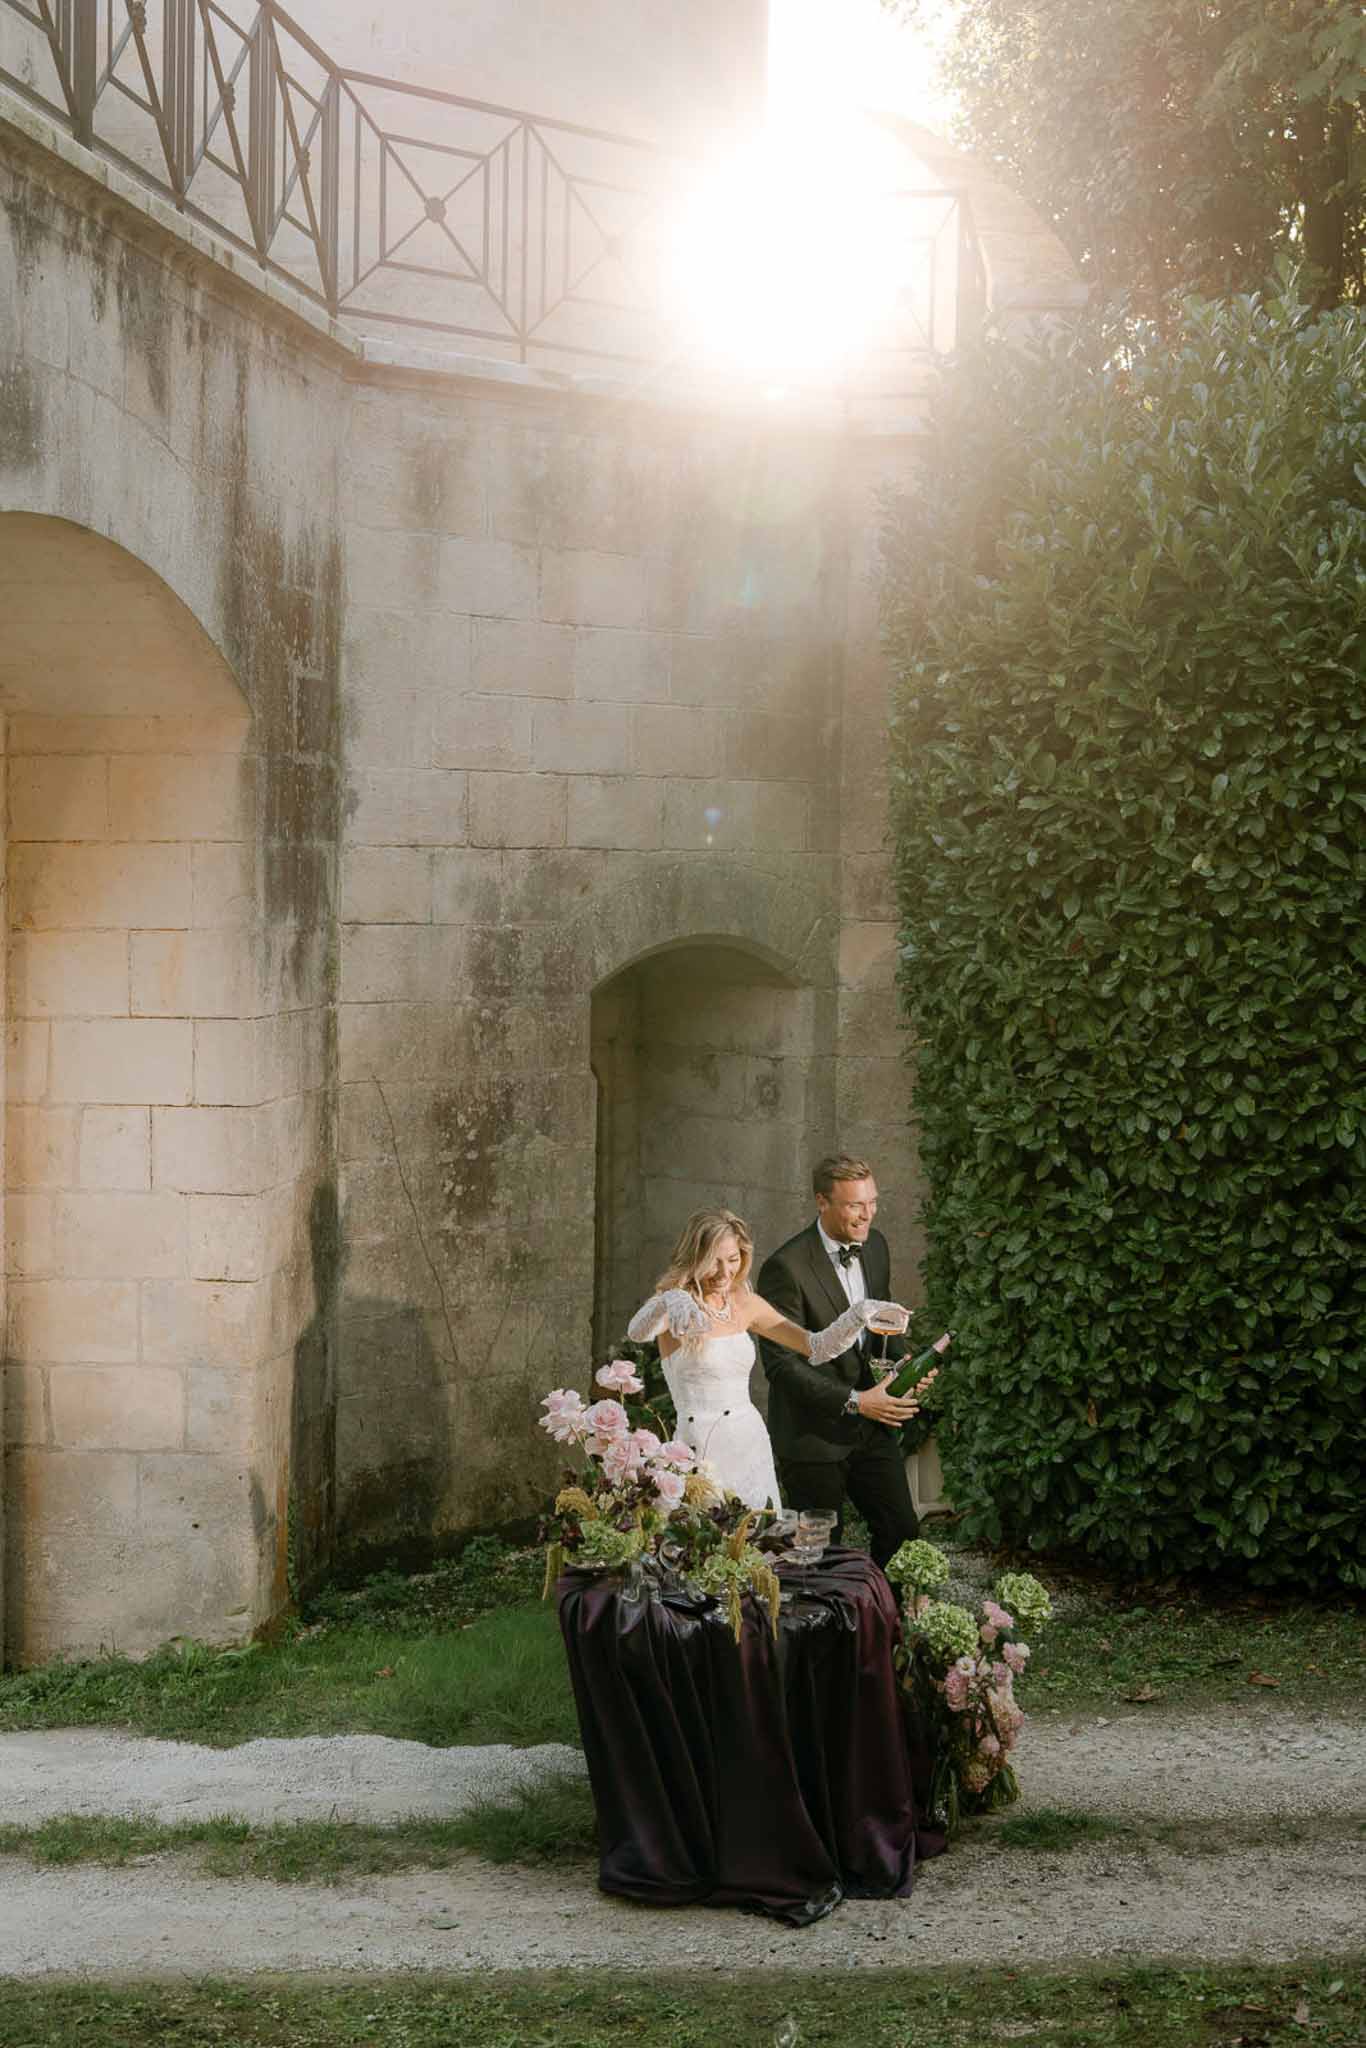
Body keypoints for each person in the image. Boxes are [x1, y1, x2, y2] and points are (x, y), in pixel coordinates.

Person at [627, 1208, 910, 1512]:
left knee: (761, 1539)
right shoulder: (676, 1309)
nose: (725, 1273)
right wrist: (671, 1298)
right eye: (713, 1262)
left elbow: (816, 1347)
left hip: (749, 1439)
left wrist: (858, 1314)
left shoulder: (744, 1303)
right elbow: (637, 1332)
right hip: (698, 1444)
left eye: (733, 1260)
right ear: (694, 1259)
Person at [756, 1155, 924, 1568]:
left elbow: (882, 1330)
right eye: (854, 1206)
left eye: (872, 1203)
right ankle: (829, 1632)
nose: (867, 1215)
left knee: (902, 1533)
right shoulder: (785, 1267)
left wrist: (905, 1371)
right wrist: (856, 1400)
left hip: (872, 1428)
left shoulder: (877, 1245)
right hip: (813, 1436)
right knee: (820, 1556)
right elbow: (781, 1367)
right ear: (821, 1202)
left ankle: (884, 1626)